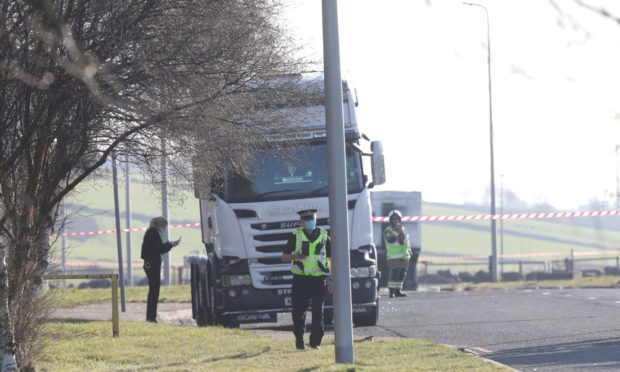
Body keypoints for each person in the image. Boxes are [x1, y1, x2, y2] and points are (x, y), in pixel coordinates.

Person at [281, 209, 331, 350]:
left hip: (318, 279)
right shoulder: (295, 235)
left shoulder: (323, 235)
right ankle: (299, 340)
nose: (311, 221)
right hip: (300, 279)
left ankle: (315, 342)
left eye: (313, 218)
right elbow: (283, 256)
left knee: (317, 312)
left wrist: (330, 278)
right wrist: (294, 256)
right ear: (301, 222)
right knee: (298, 311)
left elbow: (330, 257)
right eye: (308, 219)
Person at [141, 216, 181, 323]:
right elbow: (160, 248)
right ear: (159, 225)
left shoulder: (153, 232)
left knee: (154, 290)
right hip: (152, 264)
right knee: (154, 291)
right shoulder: (153, 233)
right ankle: (151, 317)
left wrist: (170, 245)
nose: (164, 228)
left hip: (153, 264)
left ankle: (151, 316)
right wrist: (171, 244)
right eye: (164, 226)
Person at [383, 209, 412, 298]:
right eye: (393, 219)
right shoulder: (388, 230)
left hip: (404, 255)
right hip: (393, 256)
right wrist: (397, 231)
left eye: (397, 219)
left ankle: (398, 291)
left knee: (402, 274)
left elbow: (406, 241)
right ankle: (391, 292)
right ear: (390, 220)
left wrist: (409, 250)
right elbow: (390, 240)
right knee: (394, 274)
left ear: (400, 219)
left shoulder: (404, 229)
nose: (395, 221)